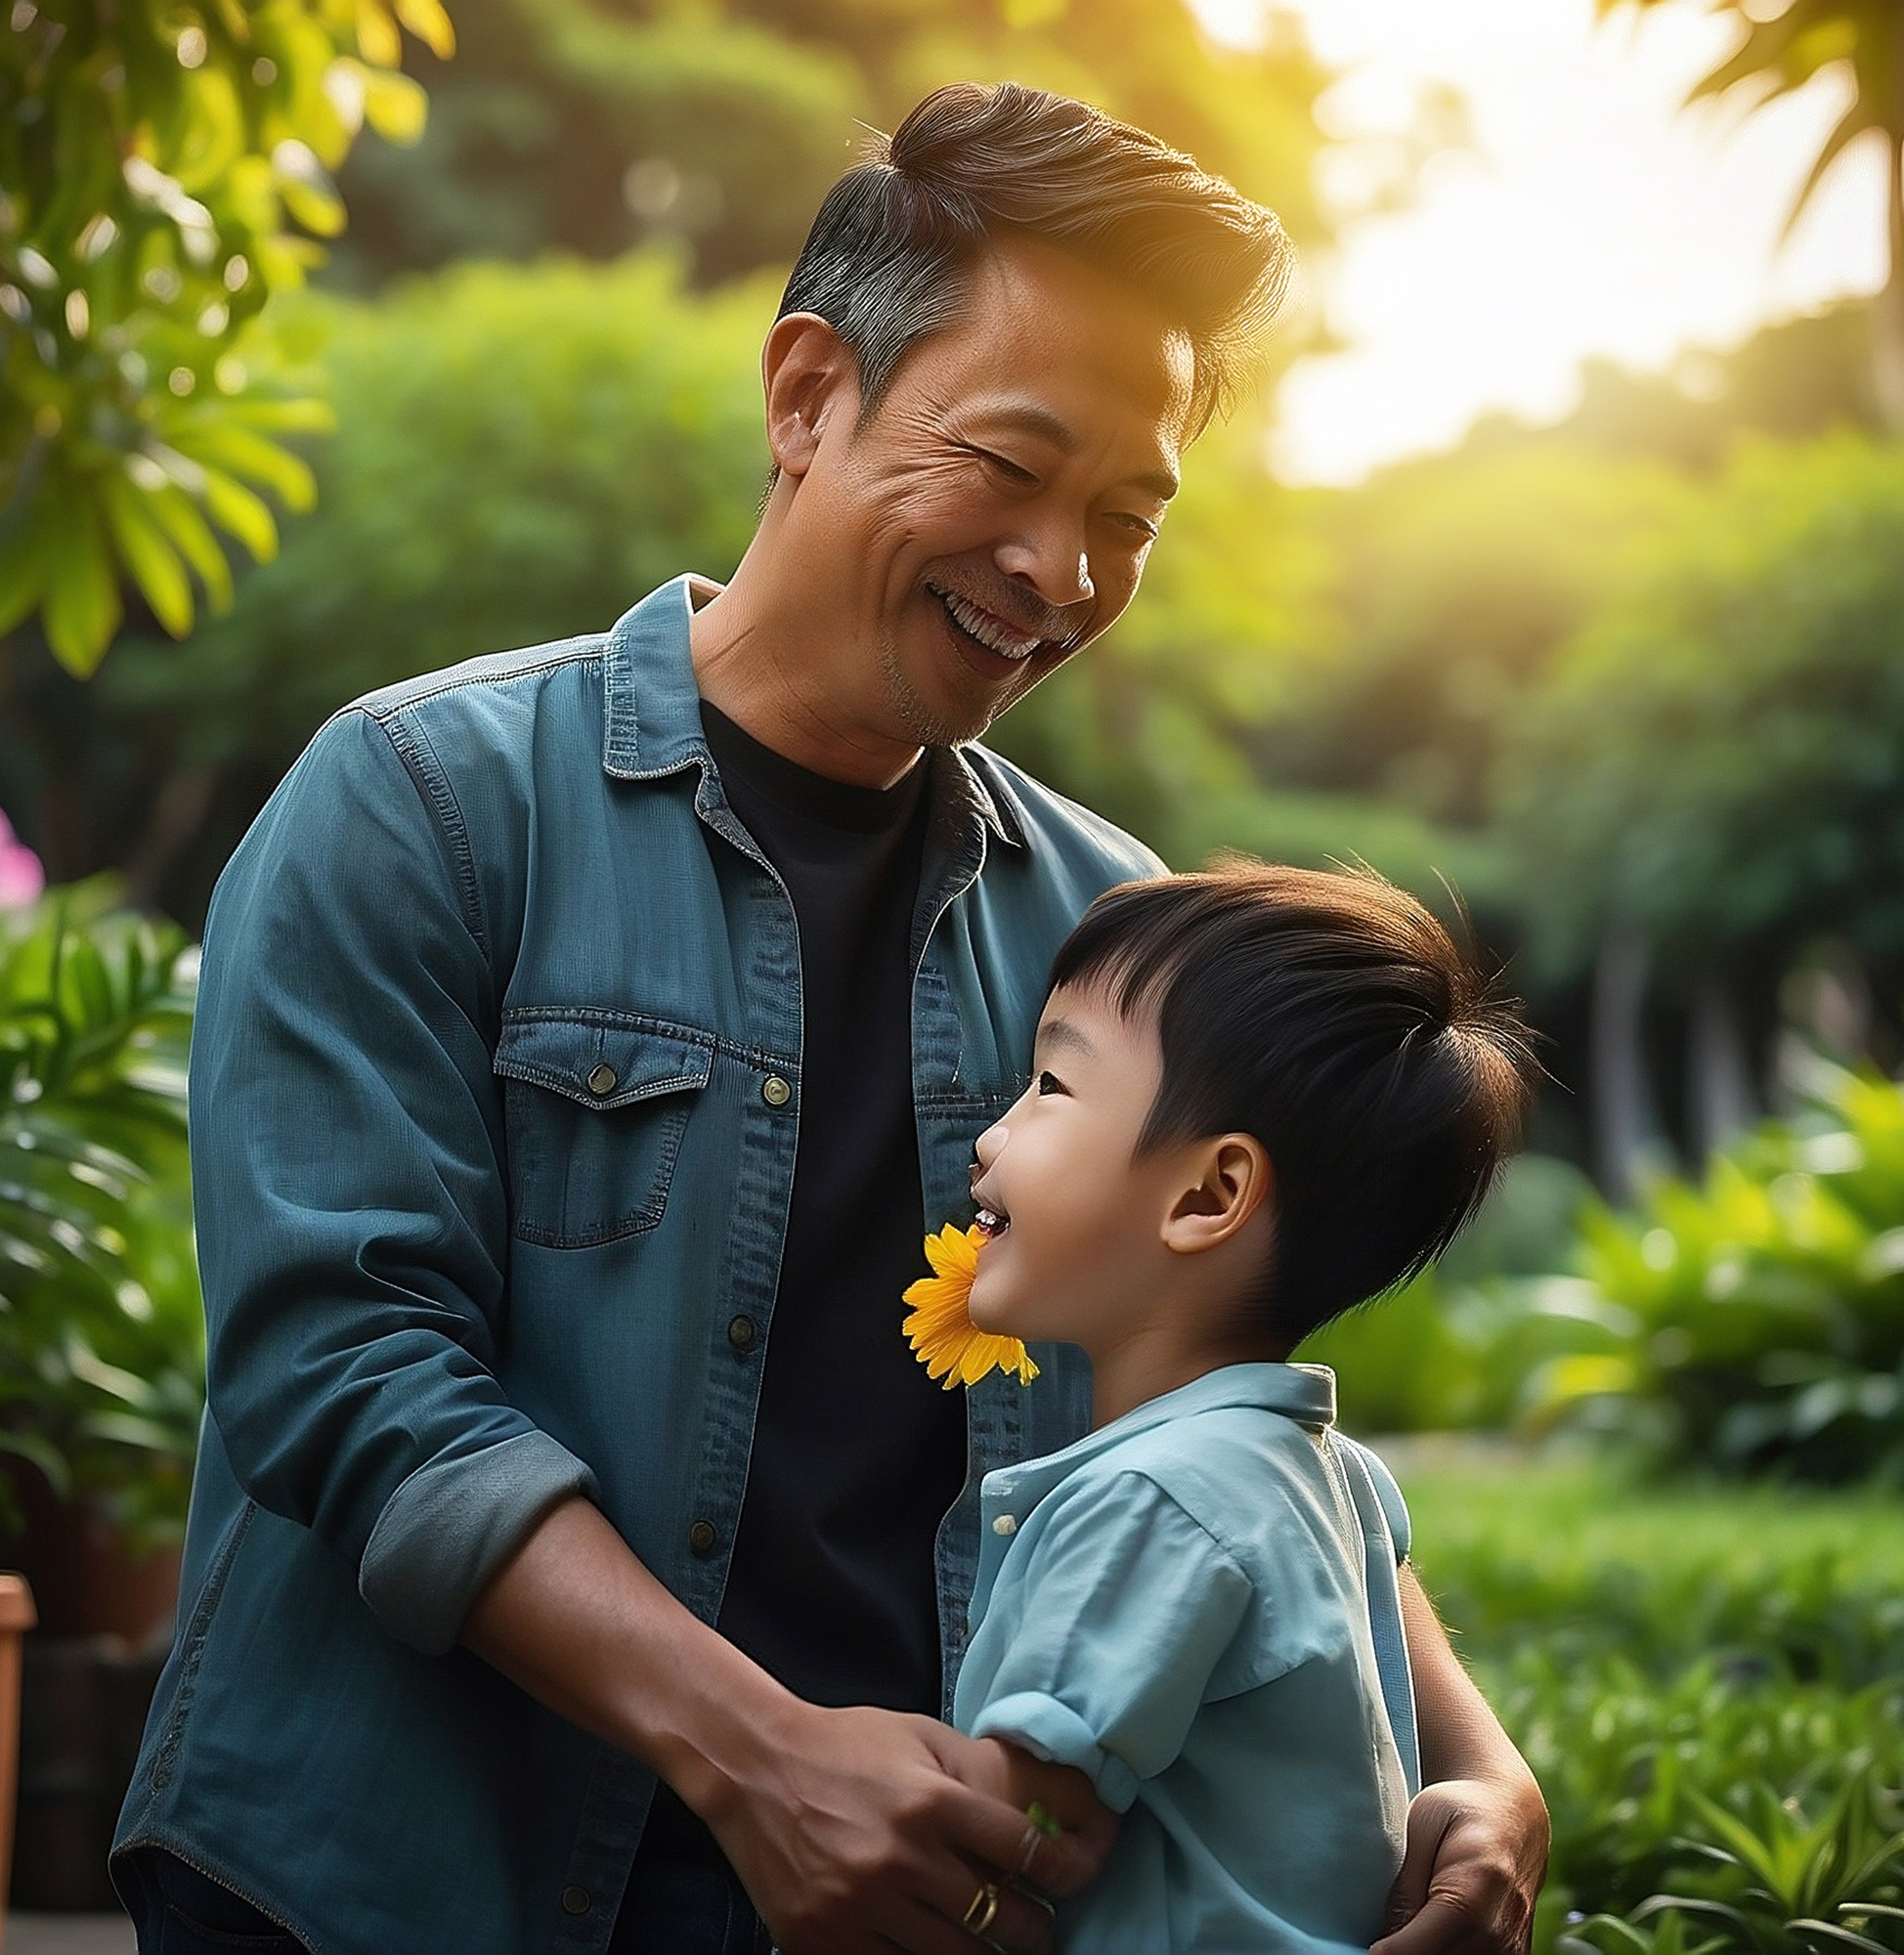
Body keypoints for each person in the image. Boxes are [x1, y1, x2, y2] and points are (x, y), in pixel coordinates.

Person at [113, 80, 1553, 1955]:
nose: (1063, 575)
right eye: (1009, 469)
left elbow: (1235, 1388)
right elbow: (348, 1379)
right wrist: (759, 1756)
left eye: (1126, 516)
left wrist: (1479, 1759)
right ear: (806, 397)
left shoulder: (1112, 924)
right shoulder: (421, 804)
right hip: (403, 1882)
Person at [938, 865, 1533, 1953]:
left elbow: (1021, 1815)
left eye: (1050, 1088)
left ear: (1208, 1195)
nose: (991, 1136)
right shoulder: (1333, 1475)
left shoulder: (1152, 1502)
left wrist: (772, 1753)